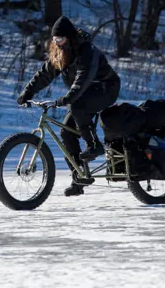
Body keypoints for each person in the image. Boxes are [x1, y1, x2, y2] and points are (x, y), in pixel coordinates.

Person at [17, 16, 121, 197]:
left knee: (77, 107)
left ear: (70, 37)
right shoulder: (61, 53)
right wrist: (28, 92)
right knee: (66, 132)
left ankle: (94, 145)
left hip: (106, 88)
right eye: (55, 40)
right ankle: (79, 178)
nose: (57, 43)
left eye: (61, 39)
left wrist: (68, 98)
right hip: (84, 93)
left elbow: (84, 77)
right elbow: (45, 74)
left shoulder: (86, 50)